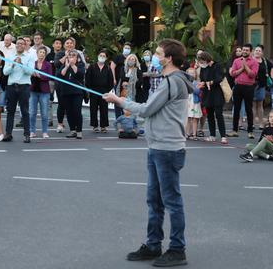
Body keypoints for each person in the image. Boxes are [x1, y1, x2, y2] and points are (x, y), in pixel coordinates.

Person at [104, 39, 192, 267]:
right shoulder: (169, 80)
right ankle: (153, 244)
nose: (155, 56)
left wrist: (118, 100)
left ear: (169, 58)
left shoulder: (172, 82)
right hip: (157, 146)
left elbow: (147, 109)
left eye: (158, 53)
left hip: (167, 148)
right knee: (154, 199)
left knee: (171, 201)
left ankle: (177, 248)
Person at [2, 38, 33, 143]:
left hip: (24, 86)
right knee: (10, 111)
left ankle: (27, 134)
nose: (19, 45)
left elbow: (30, 71)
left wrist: (22, 64)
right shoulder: (10, 56)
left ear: (25, 46)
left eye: (22, 44)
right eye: (18, 43)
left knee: (25, 111)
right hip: (11, 86)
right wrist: (13, 65)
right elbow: (5, 72)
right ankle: (8, 133)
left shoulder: (29, 57)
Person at [197, 52, 228, 144]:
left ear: (207, 59)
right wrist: (202, 83)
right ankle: (212, 135)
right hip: (207, 93)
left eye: (202, 61)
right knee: (209, 115)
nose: (202, 63)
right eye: (200, 62)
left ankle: (223, 136)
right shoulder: (203, 68)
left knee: (219, 114)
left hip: (217, 93)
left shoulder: (217, 66)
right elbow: (202, 78)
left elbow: (219, 78)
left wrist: (209, 82)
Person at [228, 43, 258, 138]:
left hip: (249, 87)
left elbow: (252, 74)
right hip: (238, 86)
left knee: (249, 109)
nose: (244, 51)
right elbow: (232, 74)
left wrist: (246, 66)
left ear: (250, 51)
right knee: (236, 108)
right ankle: (234, 130)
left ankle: (250, 131)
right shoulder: (236, 61)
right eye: (243, 50)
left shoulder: (254, 62)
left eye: (246, 50)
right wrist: (242, 68)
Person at [85, 50, 115, 133]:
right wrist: (90, 88)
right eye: (100, 55)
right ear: (98, 56)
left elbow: (111, 80)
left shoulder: (108, 68)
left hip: (104, 92)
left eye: (104, 56)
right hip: (93, 91)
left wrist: (107, 90)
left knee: (104, 109)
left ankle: (103, 126)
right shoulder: (92, 67)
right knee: (93, 109)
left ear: (106, 58)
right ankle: (94, 125)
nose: (102, 57)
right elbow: (87, 78)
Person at [59, 50, 85, 139]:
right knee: (69, 112)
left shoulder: (80, 65)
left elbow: (80, 75)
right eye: (70, 55)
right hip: (66, 92)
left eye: (74, 55)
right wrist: (66, 66)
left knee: (77, 111)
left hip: (77, 93)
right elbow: (60, 75)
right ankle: (72, 130)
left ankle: (79, 131)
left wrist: (73, 64)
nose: (71, 57)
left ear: (77, 58)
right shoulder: (65, 65)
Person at [29, 46, 51, 139]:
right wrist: (31, 73)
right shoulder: (32, 63)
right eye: (40, 52)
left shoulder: (48, 65)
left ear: (45, 55)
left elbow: (49, 76)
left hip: (44, 92)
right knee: (32, 112)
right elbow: (27, 73)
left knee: (45, 113)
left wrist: (39, 75)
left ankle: (45, 132)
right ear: (37, 53)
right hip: (33, 91)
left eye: (43, 52)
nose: (41, 54)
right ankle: (32, 131)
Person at [252, 45, 270, 129]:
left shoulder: (265, 61)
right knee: (253, 104)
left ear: (262, 53)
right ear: (253, 51)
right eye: (256, 50)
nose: (257, 52)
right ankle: (251, 123)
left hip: (261, 85)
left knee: (260, 104)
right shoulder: (251, 60)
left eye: (259, 51)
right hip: (252, 85)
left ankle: (261, 124)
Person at [186, 64, 202, 140]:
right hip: (188, 102)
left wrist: (194, 87)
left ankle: (194, 134)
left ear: (195, 74)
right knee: (188, 118)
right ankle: (187, 133)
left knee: (195, 118)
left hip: (195, 102)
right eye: (190, 73)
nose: (192, 74)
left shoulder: (197, 82)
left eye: (193, 73)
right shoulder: (185, 82)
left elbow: (197, 91)